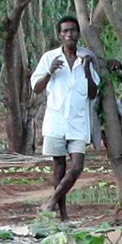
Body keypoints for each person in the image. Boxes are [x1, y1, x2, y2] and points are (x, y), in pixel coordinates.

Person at [30, 15, 99, 220]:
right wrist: (49, 73)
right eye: (65, 31)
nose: (69, 34)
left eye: (73, 30)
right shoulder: (49, 58)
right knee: (59, 167)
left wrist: (87, 70)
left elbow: (93, 92)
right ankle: (63, 215)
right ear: (60, 35)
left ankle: (50, 203)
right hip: (56, 122)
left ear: (78, 34)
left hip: (78, 122)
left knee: (77, 167)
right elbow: (36, 88)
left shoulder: (86, 58)